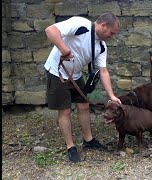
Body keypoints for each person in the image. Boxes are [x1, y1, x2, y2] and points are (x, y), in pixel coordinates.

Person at [44, 12, 122, 163]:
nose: (112, 36)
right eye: (111, 33)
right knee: (65, 110)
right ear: (103, 25)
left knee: (84, 106)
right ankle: (70, 146)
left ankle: (88, 139)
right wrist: (65, 50)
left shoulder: (101, 47)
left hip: (76, 74)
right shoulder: (80, 24)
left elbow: (103, 71)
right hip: (57, 71)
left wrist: (111, 96)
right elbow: (50, 31)